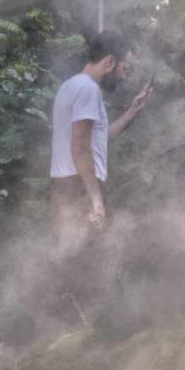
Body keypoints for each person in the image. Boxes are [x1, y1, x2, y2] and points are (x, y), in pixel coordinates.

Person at [49, 31, 153, 231]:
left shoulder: (69, 86)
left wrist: (132, 111)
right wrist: (96, 199)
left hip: (63, 187)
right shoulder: (89, 90)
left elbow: (97, 139)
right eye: (124, 68)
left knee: (65, 259)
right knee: (84, 260)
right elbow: (80, 148)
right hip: (79, 188)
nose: (124, 76)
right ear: (110, 62)